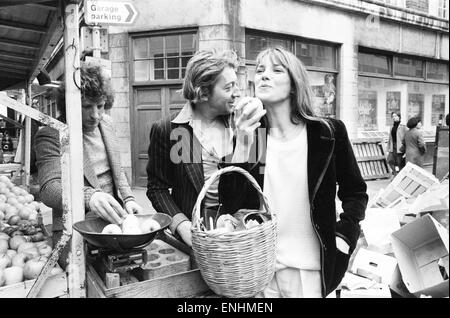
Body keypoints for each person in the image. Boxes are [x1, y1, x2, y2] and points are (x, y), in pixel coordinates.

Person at [222, 46, 368, 298]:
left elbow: (356, 192)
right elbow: (230, 201)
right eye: (260, 70)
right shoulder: (253, 136)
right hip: (261, 269)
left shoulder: (327, 133)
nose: (264, 76)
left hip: (309, 270)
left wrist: (344, 236)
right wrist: (242, 142)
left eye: (277, 70)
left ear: (293, 85)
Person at [146, 49, 266, 247]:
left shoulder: (244, 123)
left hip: (239, 241)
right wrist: (182, 226)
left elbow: (253, 185)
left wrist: (246, 142)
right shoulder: (173, 130)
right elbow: (157, 188)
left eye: (237, 84)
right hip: (193, 240)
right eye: (228, 87)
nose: (237, 92)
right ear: (202, 93)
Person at [34, 64, 143, 264]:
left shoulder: (107, 124)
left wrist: (128, 199)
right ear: (69, 103)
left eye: (100, 106)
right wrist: (89, 196)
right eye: (86, 107)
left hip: (116, 222)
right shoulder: (51, 134)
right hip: (76, 228)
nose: (96, 115)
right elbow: (49, 189)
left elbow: (117, 170)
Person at [386, 111, 407, 176]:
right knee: (389, 160)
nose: (394, 118)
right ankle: (395, 173)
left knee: (400, 163)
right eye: (393, 116)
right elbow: (390, 138)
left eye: (395, 116)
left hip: (400, 147)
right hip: (393, 146)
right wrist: (388, 148)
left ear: (399, 117)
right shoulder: (392, 126)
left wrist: (405, 149)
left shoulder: (403, 126)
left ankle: (400, 177)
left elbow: (406, 137)